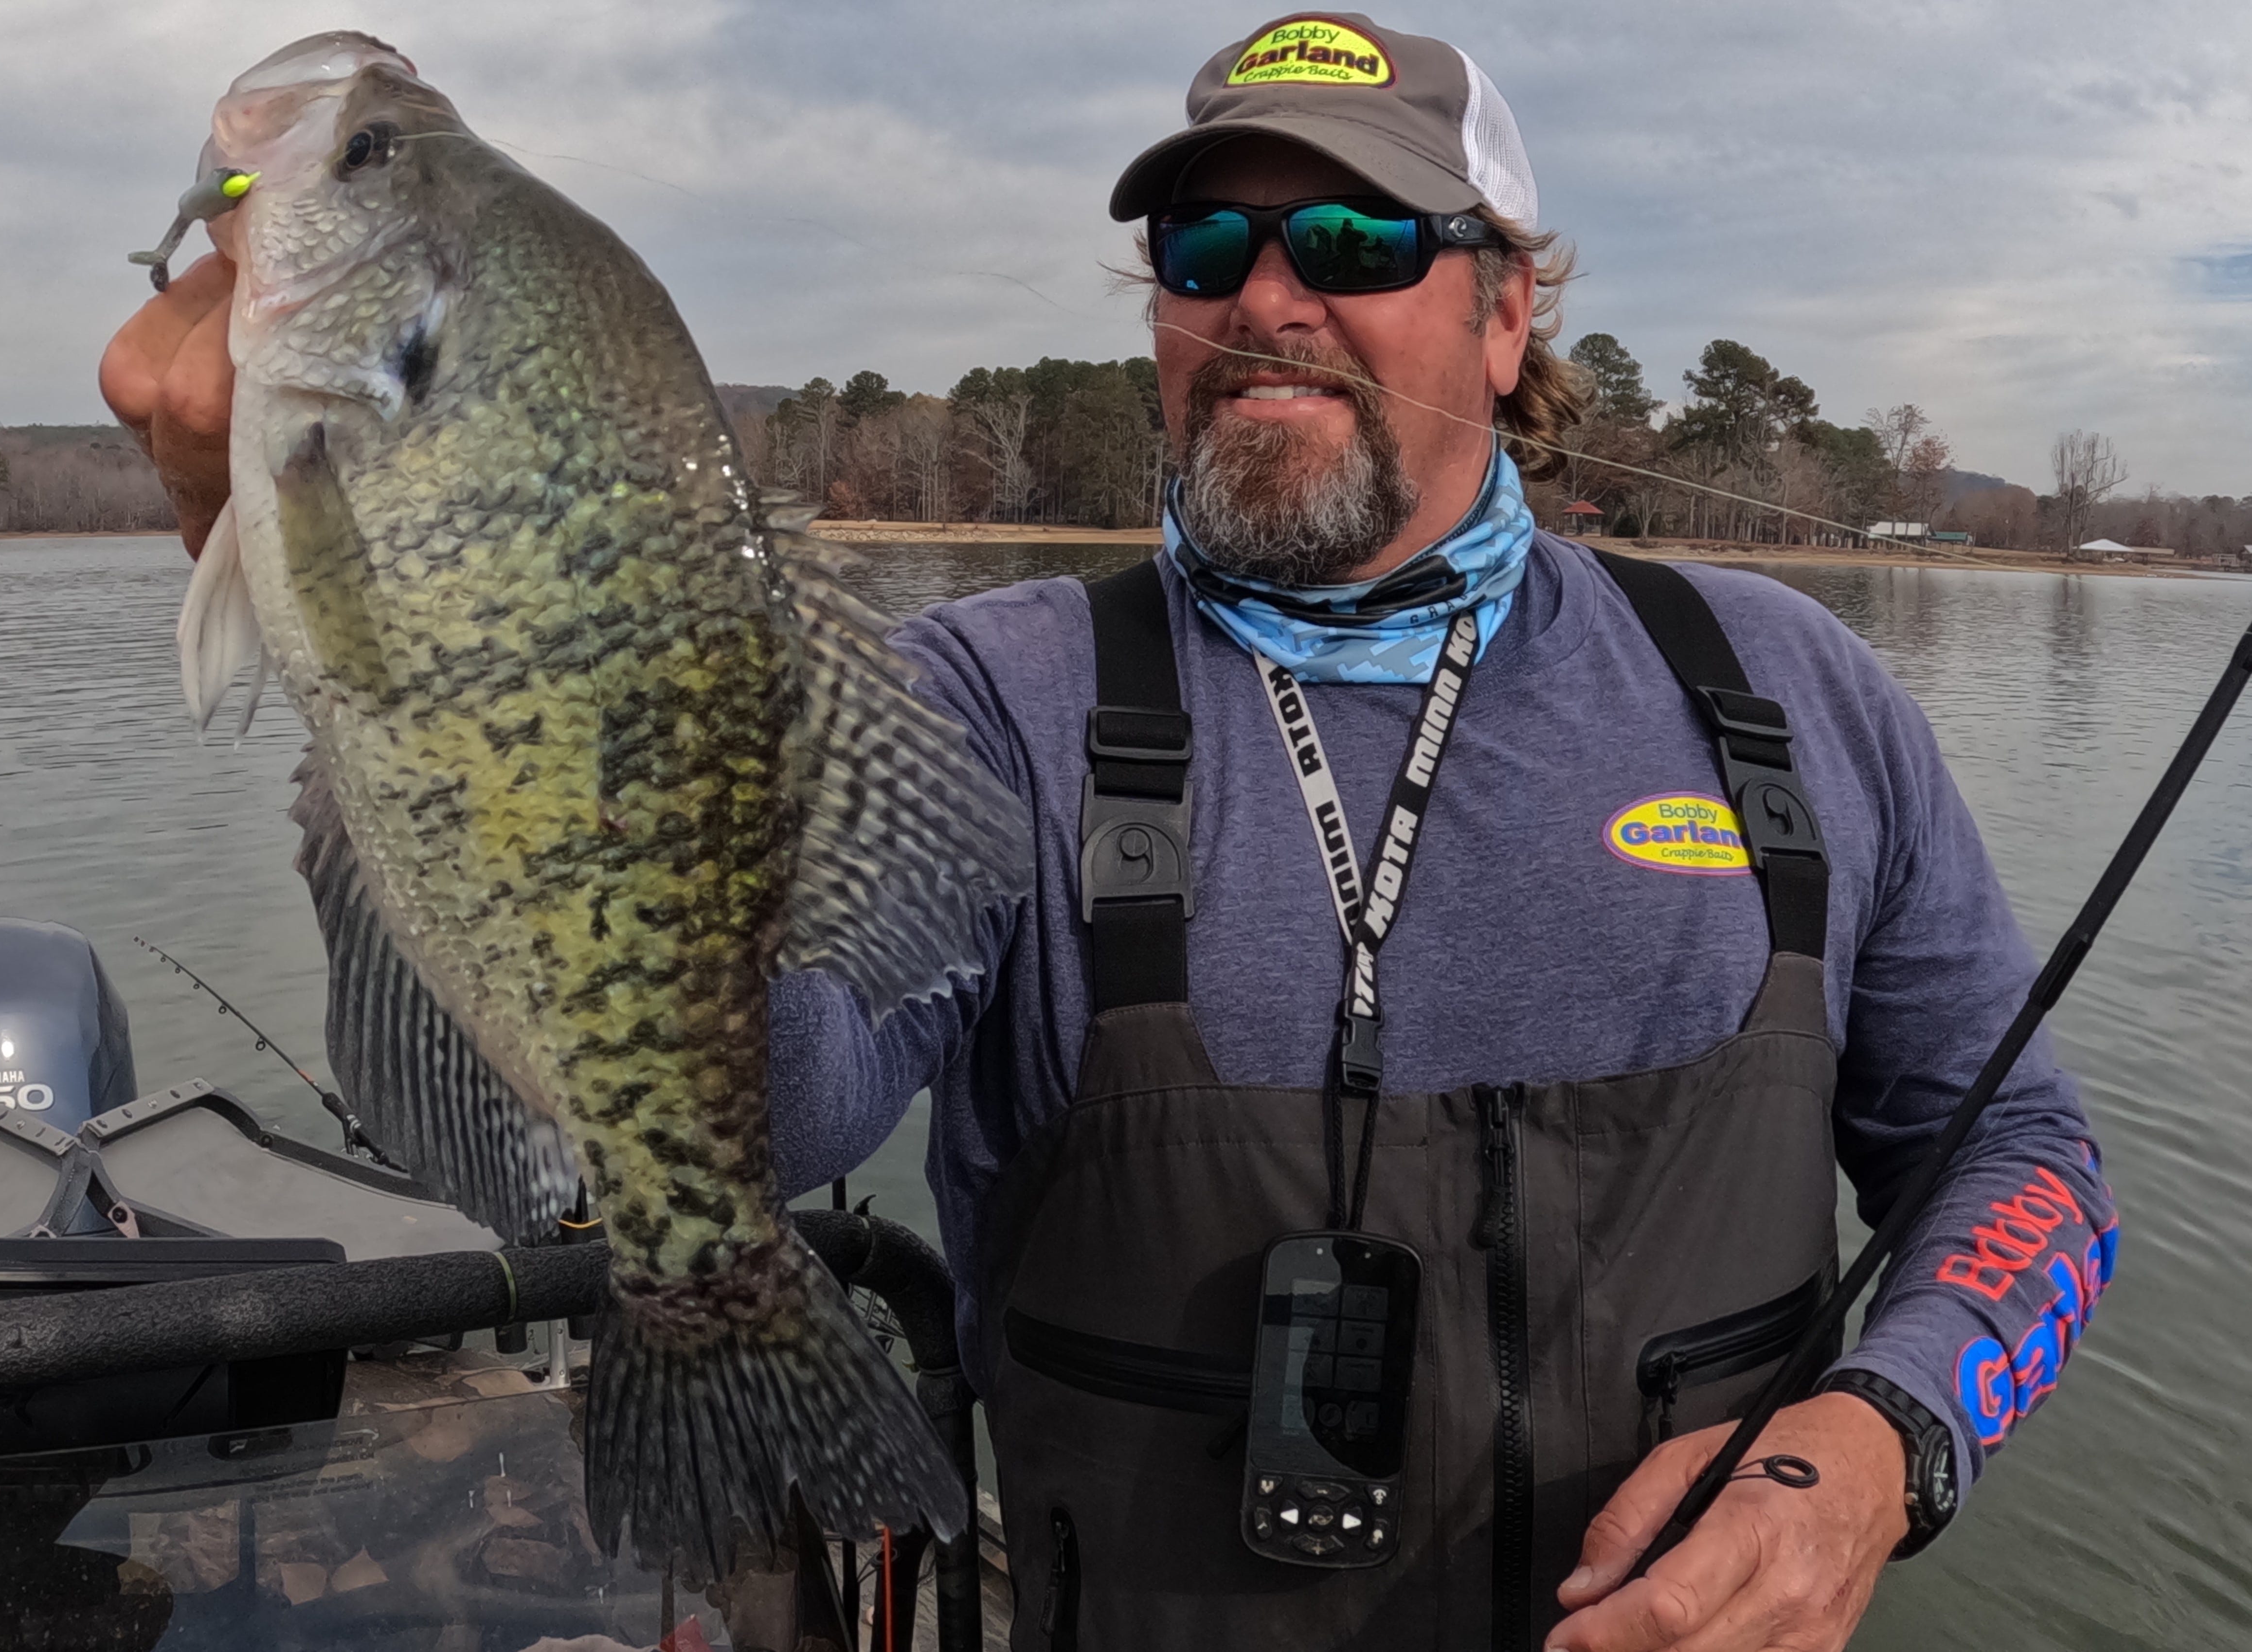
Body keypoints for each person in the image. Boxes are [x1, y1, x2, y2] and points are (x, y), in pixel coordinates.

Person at [103, 14, 2117, 1649]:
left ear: (1507, 320)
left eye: (1349, 246)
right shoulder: (998, 694)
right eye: (1201, 251)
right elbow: (770, 1107)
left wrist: (1879, 1444)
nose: (1264, 299)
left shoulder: (1789, 694)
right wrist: (352, 607)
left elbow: (2029, 1158)